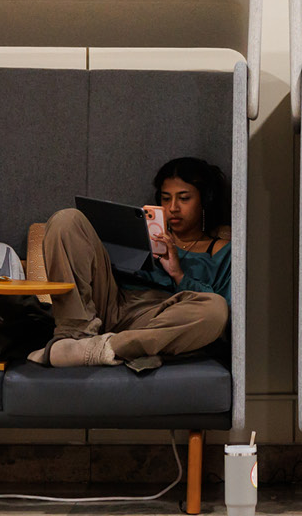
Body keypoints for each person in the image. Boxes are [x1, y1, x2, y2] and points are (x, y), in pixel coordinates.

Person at [29, 157, 230, 367]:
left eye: (184, 198)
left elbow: (227, 313)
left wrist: (178, 274)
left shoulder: (222, 250)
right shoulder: (148, 232)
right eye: (165, 198)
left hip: (159, 317)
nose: (173, 208)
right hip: (111, 300)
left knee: (215, 309)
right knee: (66, 219)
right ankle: (74, 336)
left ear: (205, 201)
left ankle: (105, 348)